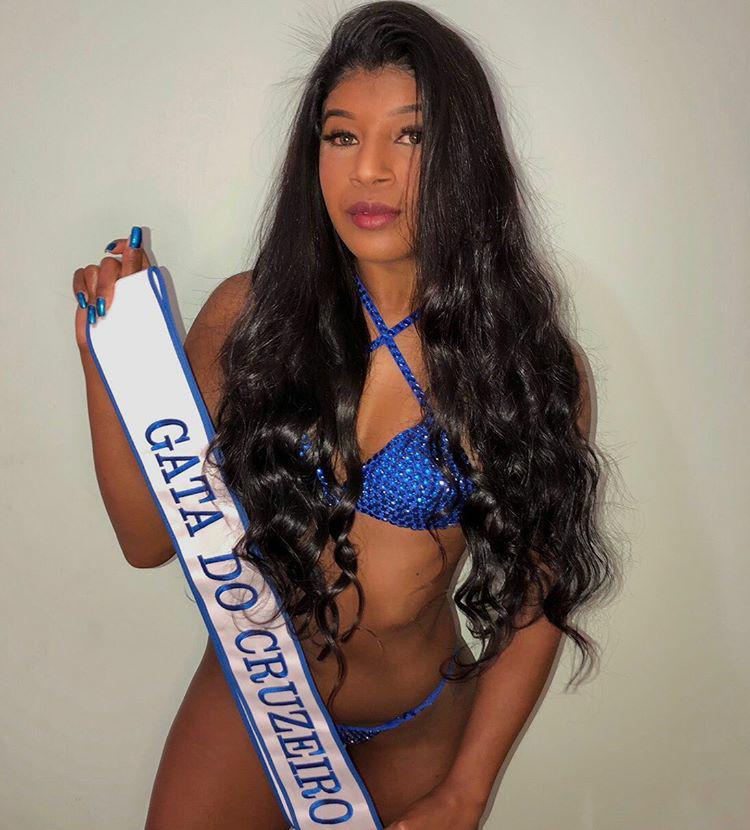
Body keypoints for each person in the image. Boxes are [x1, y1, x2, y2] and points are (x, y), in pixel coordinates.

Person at [72, 2, 619, 827]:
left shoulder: (529, 366)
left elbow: (536, 593)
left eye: (410, 135)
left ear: (464, 157)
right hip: (254, 706)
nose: (369, 170)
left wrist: (465, 791)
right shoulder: (248, 318)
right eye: (341, 136)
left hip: (418, 731)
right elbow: (148, 542)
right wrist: (107, 361)